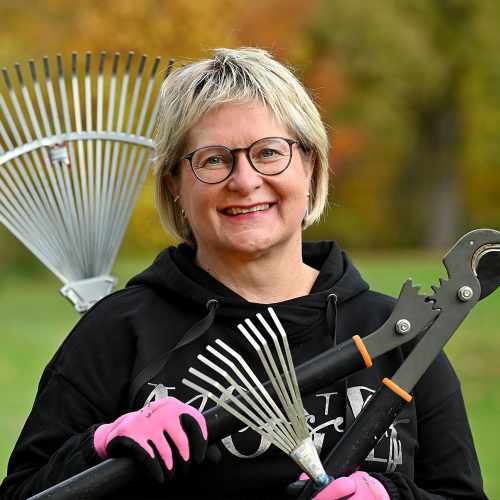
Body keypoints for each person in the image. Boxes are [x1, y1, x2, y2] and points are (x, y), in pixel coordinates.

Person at [0, 47, 487, 500]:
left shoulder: (399, 337)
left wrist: (393, 496)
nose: (246, 181)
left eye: (269, 152)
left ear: (311, 166)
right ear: (175, 186)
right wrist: (100, 445)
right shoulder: (118, 332)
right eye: (214, 160)